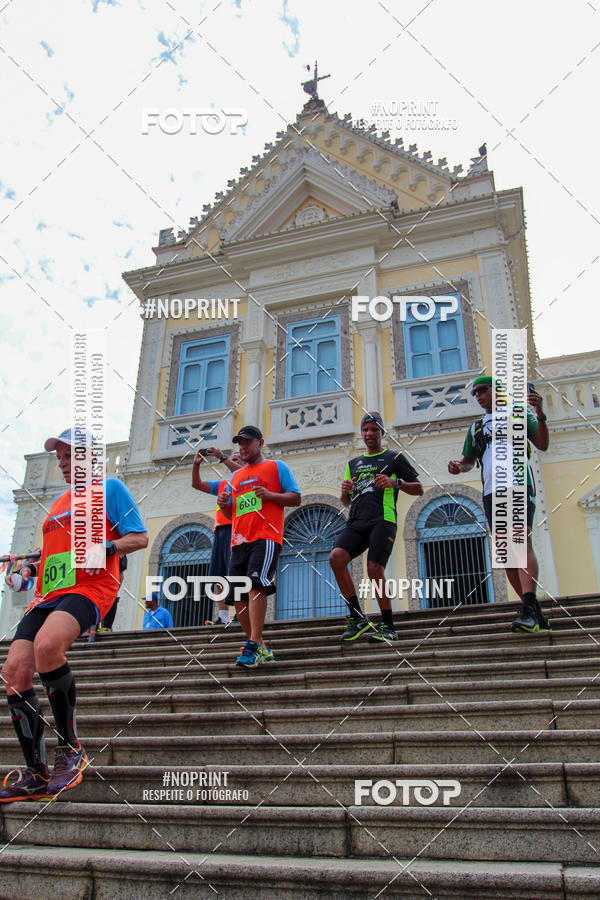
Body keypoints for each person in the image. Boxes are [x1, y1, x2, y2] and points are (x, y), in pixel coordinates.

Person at [0, 428, 148, 803]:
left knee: (47, 647)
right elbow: (53, 555)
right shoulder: (57, 503)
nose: (64, 463)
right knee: (14, 672)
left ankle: (71, 749)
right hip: (48, 595)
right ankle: (36, 773)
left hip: (91, 587)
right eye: (61, 457)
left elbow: (139, 537)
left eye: (71, 456)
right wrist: (29, 570)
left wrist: (106, 547)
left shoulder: (110, 489)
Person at [447, 375, 550, 632]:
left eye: (482, 390)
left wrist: (539, 414)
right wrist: (459, 467)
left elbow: (542, 444)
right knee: (506, 553)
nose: (478, 396)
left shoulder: (519, 414)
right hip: (492, 491)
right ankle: (533, 612)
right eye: (475, 393)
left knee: (520, 541)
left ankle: (528, 607)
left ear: (497, 390)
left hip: (518, 484)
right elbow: (469, 461)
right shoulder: (476, 427)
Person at [329, 412, 423, 643]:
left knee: (373, 568)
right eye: (365, 430)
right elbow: (346, 501)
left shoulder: (394, 458)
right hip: (357, 521)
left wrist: (395, 482)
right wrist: (344, 492)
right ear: (361, 433)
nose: (369, 433)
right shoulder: (353, 464)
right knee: (336, 558)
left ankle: (388, 626)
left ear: (381, 432)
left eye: (374, 429)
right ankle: (358, 617)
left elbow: (418, 488)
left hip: (383, 519)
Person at [217, 426, 301, 667]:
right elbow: (232, 514)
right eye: (240, 443)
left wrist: (270, 495)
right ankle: (261, 646)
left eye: (247, 442)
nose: (243, 448)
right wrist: (224, 504)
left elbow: (296, 498)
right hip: (239, 541)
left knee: (256, 585)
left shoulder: (276, 467)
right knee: (238, 596)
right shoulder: (235, 477)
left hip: (266, 537)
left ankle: (252, 645)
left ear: (260, 443)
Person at [191, 447, 242, 625]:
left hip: (237, 529)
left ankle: (240, 614)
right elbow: (197, 484)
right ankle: (223, 617)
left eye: (236, 459)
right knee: (219, 575)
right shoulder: (222, 484)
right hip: (220, 531)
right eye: (232, 459)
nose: (232, 461)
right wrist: (196, 465)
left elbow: (242, 472)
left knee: (236, 574)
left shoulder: (247, 481)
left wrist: (223, 457)